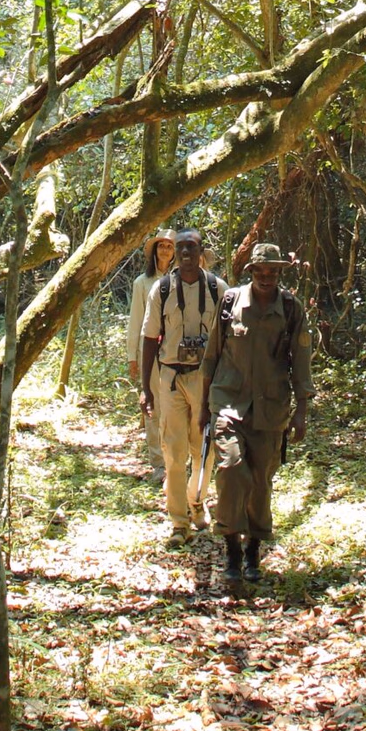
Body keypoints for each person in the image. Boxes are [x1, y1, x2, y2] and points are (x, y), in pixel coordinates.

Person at [200, 241, 313, 582]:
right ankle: (231, 551)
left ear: (279, 274)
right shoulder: (231, 302)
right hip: (229, 403)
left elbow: (302, 363)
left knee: (261, 482)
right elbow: (212, 356)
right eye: (260, 272)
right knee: (232, 471)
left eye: (273, 272)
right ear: (250, 272)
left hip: (271, 409)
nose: (266, 278)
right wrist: (205, 409)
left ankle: (253, 553)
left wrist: (301, 410)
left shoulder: (291, 309)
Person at [140, 228, 223, 539]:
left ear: (201, 252)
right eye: (181, 248)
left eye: (192, 247)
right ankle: (179, 522)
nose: (186, 253)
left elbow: (229, 340)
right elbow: (149, 339)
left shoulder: (218, 289)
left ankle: (197, 502)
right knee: (174, 453)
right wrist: (146, 387)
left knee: (204, 449)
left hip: (206, 379)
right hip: (171, 378)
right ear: (174, 252)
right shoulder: (161, 290)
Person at [126, 231, 175, 474]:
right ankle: (158, 463)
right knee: (152, 405)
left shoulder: (182, 281)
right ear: (154, 251)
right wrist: (132, 356)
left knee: (175, 406)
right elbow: (136, 321)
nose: (165, 250)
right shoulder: (142, 283)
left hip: (177, 352)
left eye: (170, 246)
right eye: (161, 246)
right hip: (151, 352)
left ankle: (175, 460)